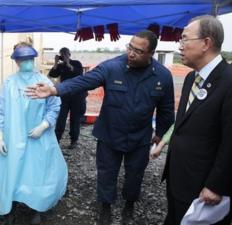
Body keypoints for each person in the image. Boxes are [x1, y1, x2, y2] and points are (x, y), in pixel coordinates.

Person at [26, 30, 175, 225]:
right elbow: (83, 81)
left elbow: (166, 108)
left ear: (151, 53)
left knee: (135, 175)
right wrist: (55, 89)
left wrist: (161, 134)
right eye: (130, 47)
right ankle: (105, 207)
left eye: (138, 51)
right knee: (106, 173)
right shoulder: (112, 67)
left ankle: (129, 204)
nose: (131, 53)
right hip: (109, 134)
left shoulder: (162, 76)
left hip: (140, 137)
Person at [160, 15, 232, 225]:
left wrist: (216, 185)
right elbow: (183, 123)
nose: (180, 46)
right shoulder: (190, 78)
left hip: (205, 185)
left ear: (206, 43)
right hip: (179, 177)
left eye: (185, 39)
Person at [0, 43, 68, 225]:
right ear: (16, 60)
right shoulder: (9, 83)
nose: (25, 62)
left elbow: (54, 106)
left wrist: (44, 124)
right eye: (21, 59)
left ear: (33, 59)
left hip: (39, 138)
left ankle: (37, 207)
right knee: (13, 172)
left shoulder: (45, 82)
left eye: (28, 59)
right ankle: (10, 206)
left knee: (37, 172)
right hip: (13, 137)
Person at [48, 47, 86, 149]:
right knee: (61, 118)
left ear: (69, 54)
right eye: (62, 54)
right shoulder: (60, 66)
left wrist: (68, 63)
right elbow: (52, 75)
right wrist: (56, 63)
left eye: (65, 54)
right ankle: (56, 139)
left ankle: (74, 140)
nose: (64, 56)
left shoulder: (77, 63)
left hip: (77, 95)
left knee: (75, 119)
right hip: (64, 96)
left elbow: (79, 74)